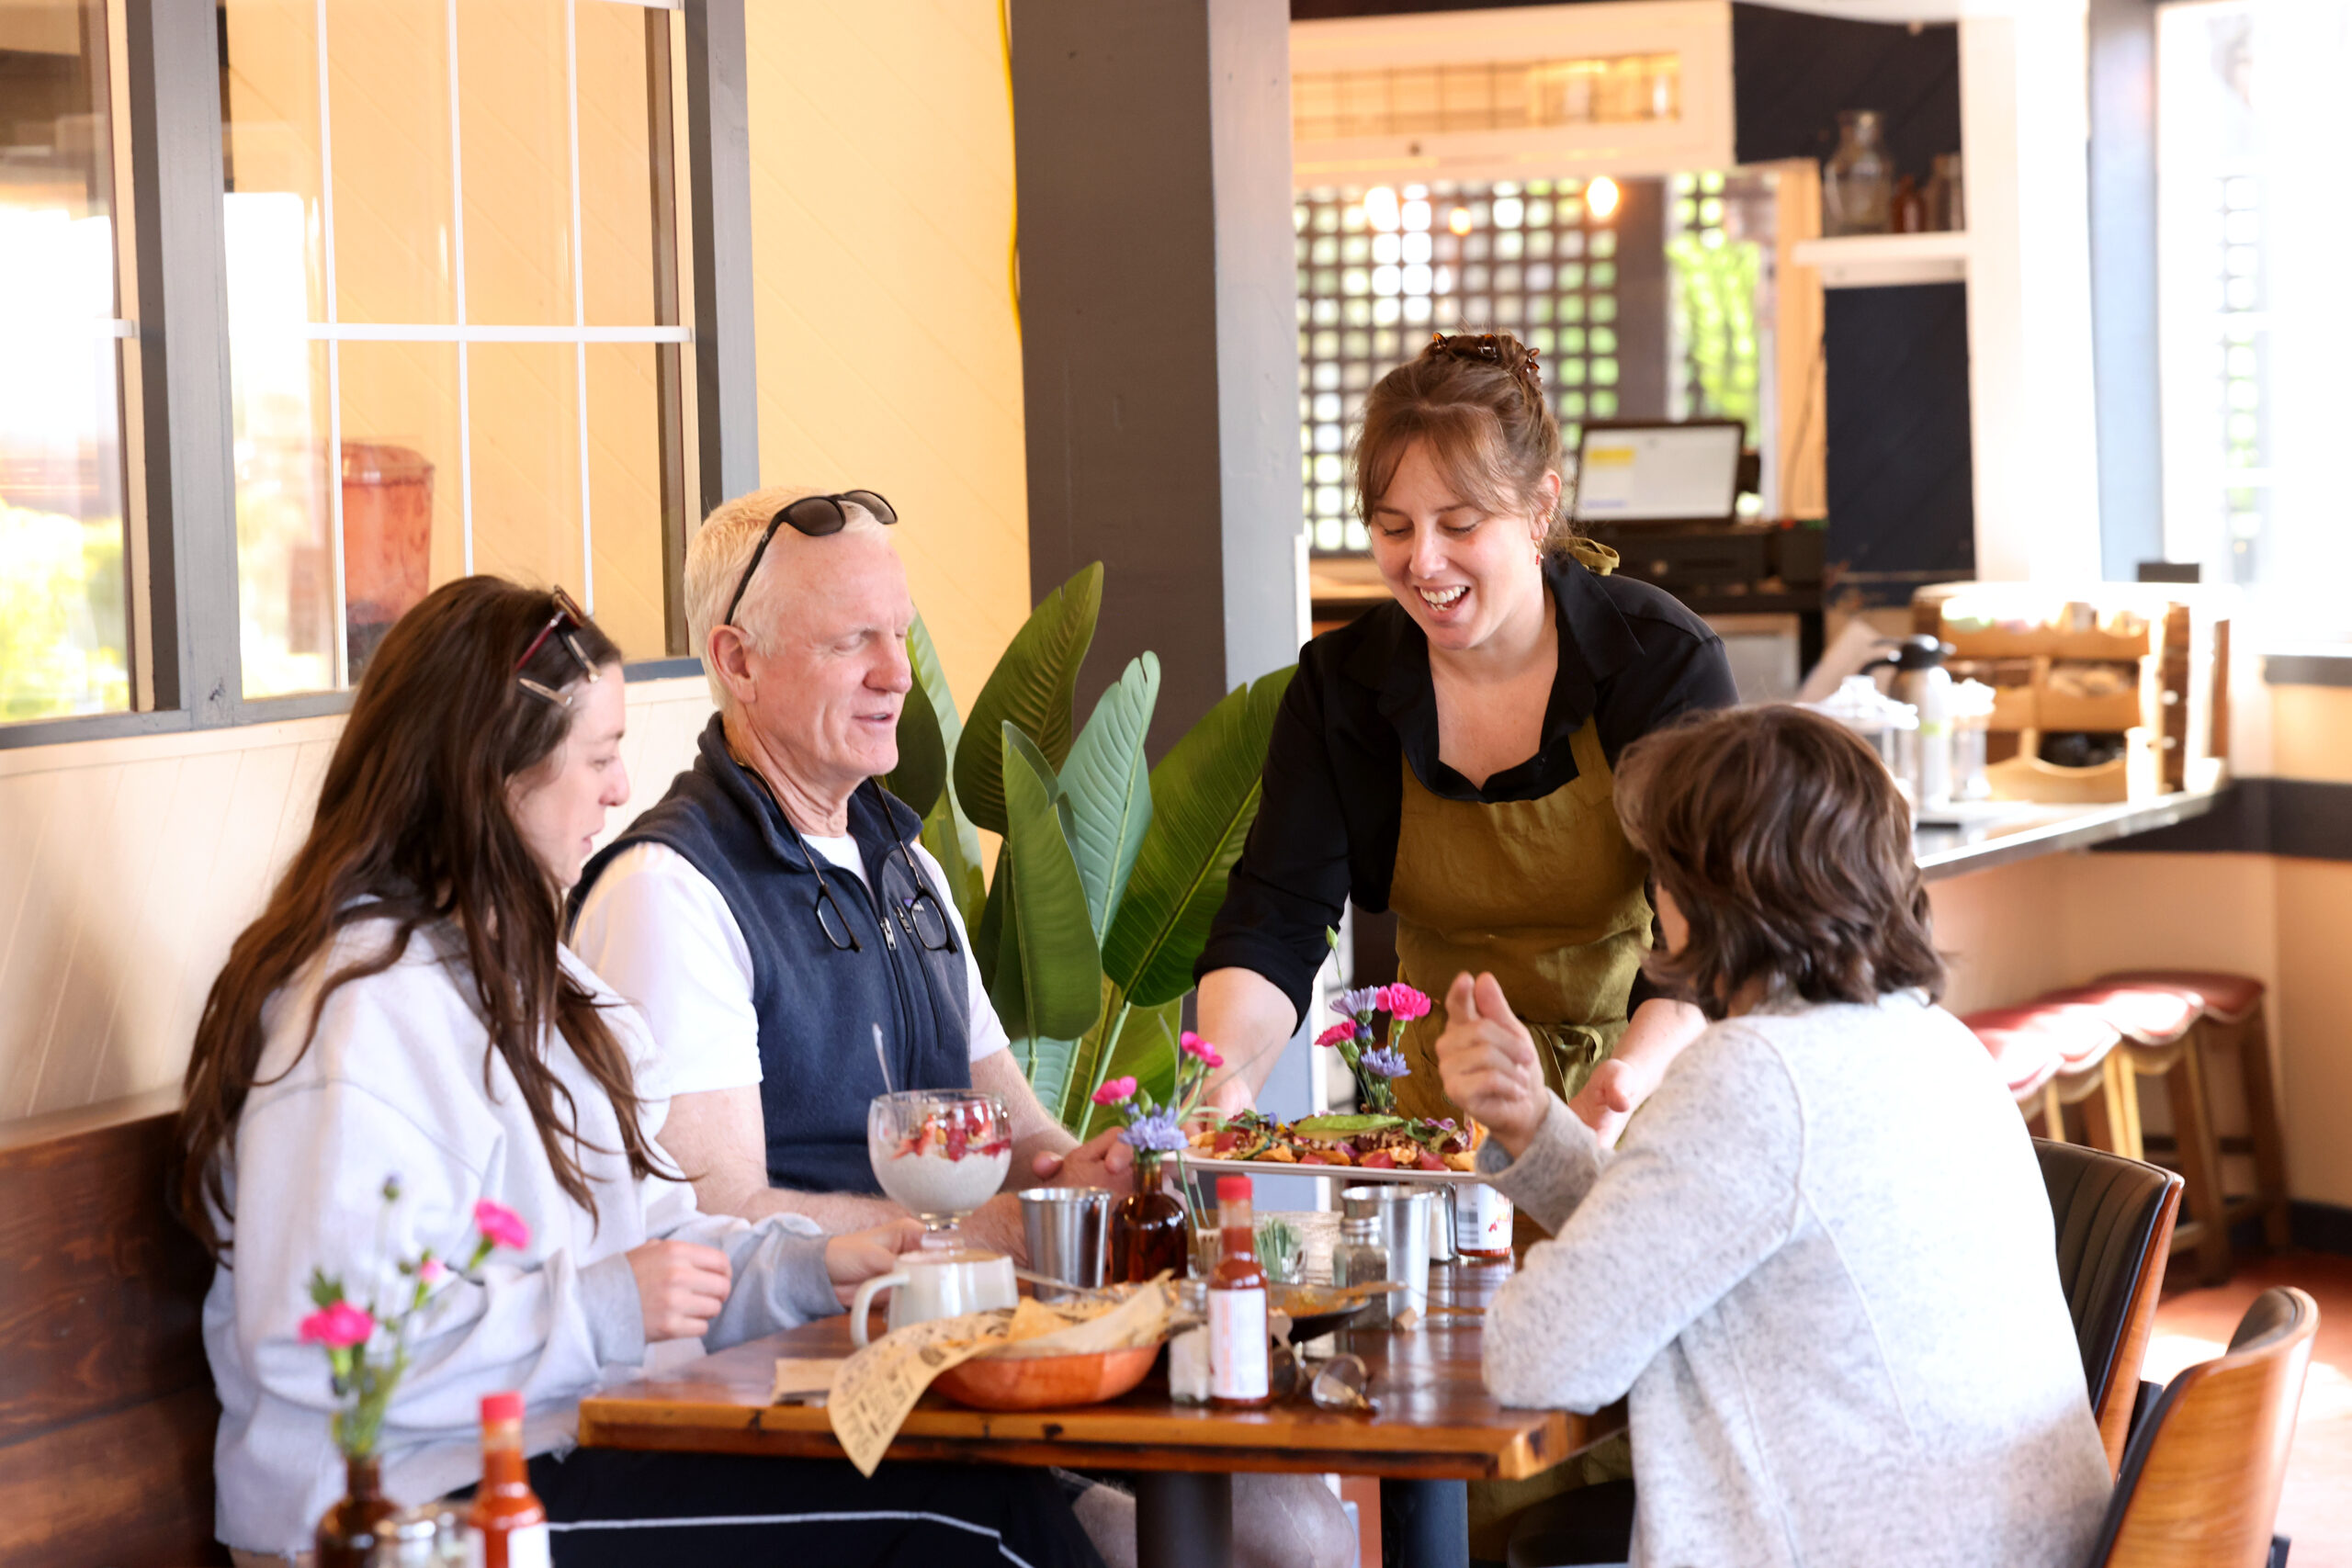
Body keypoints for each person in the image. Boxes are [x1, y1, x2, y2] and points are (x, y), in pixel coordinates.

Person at [177, 579, 1102, 1567]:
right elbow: (329, 1347)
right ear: (493, 776)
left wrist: (809, 1266)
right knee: (951, 1516)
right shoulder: (360, 1016)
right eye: (601, 756)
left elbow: (657, 1235)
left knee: (978, 1485)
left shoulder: (542, 979)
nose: (621, 790)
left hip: (569, 1450)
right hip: (412, 1509)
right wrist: (608, 1305)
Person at [1437, 705, 2113, 1568]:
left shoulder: (1756, 1075)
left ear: (1713, 893)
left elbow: (1534, 1356)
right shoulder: (1934, 1040)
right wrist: (1536, 1125)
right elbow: (1691, 1240)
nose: (1655, 896)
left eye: (1662, 869)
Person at [1193, 332, 1738, 1147]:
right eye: (1394, 527)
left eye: (1460, 523)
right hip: (1438, 1129)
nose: (1425, 562)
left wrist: (1621, 1089)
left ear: (1540, 507)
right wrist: (1223, 1080)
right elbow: (1276, 916)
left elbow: (1711, 931)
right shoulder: (1345, 686)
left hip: (1636, 1106)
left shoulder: (1657, 663)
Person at [570, 488, 1131, 1258]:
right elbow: (716, 1216)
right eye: (851, 641)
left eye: (898, 633)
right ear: (739, 662)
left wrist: (1099, 1174)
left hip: (942, 1336)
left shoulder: (908, 867)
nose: (898, 674)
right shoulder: (669, 890)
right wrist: (988, 1233)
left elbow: (1024, 1142)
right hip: (780, 1365)